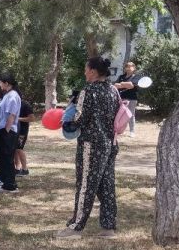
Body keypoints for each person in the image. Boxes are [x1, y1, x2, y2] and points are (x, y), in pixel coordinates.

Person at [57, 56, 121, 239]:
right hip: (110, 143)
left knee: (85, 184)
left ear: (93, 71)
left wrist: (67, 121)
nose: (85, 72)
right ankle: (108, 227)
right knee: (106, 185)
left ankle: (75, 227)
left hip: (91, 145)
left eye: (86, 69)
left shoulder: (88, 90)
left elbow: (80, 118)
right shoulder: (113, 90)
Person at [0, 73, 21, 193]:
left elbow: (11, 115)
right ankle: (5, 181)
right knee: (3, 157)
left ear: (6, 83)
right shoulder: (8, 95)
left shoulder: (13, 96)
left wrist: (6, 130)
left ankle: (10, 185)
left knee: (8, 157)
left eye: (0, 82)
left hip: (8, 131)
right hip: (2, 129)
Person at [114, 60, 142, 137]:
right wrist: (125, 85)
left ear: (134, 68)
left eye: (131, 66)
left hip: (132, 99)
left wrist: (121, 84)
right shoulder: (121, 77)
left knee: (131, 115)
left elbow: (131, 85)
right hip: (121, 98)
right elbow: (115, 85)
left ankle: (132, 131)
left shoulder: (136, 77)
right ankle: (120, 130)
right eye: (127, 66)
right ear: (125, 68)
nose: (129, 68)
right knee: (120, 115)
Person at [14, 97, 35, 176]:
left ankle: (25, 169)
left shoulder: (25, 104)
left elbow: (32, 118)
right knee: (15, 149)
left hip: (22, 131)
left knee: (19, 149)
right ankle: (17, 168)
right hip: (14, 130)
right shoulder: (12, 104)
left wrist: (18, 119)